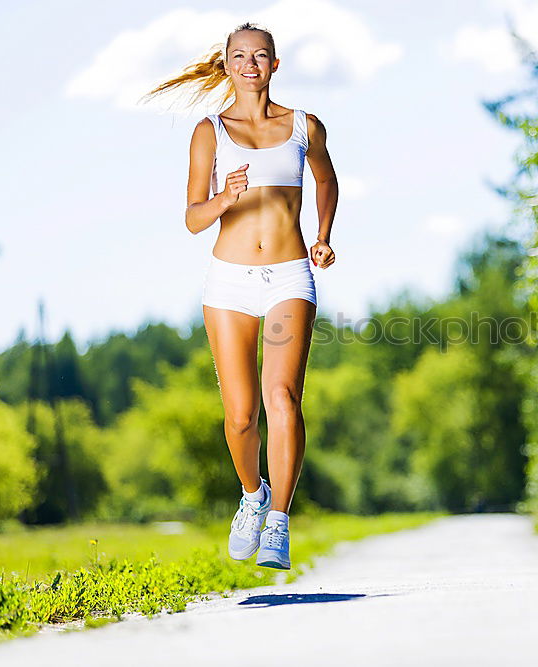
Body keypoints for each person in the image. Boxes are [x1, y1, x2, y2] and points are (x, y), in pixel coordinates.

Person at [142, 22, 338, 570]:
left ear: (275, 65)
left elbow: (326, 181)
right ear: (226, 64)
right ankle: (253, 498)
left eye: (261, 55)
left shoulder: (304, 126)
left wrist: (323, 237)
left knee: (284, 400)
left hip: (288, 277)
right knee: (241, 418)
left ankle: (279, 521)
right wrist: (225, 198)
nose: (250, 63)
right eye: (239, 55)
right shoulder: (210, 132)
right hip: (227, 283)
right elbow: (191, 219)